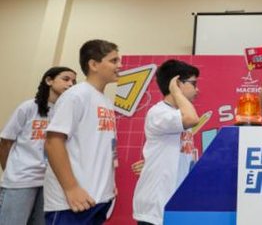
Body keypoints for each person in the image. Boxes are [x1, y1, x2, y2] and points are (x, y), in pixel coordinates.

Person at [44, 39, 121, 224]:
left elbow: (104, 146)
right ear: (93, 64)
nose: (120, 65)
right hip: (71, 203)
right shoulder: (76, 95)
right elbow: (53, 142)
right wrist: (71, 188)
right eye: (114, 60)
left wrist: (109, 183)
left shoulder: (105, 101)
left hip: (98, 198)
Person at [0, 67, 76, 224]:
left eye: (74, 81)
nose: (71, 84)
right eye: (66, 79)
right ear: (49, 80)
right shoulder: (28, 107)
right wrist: (10, 171)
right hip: (22, 180)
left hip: (50, 182)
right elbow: (6, 141)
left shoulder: (66, 111)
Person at [133, 59, 200, 225]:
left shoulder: (179, 113)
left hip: (175, 203)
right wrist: (176, 92)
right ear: (177, 83)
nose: (197, 89)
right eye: (193, 83)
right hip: (157, 208)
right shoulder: (159, 113)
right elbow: (192, 119)